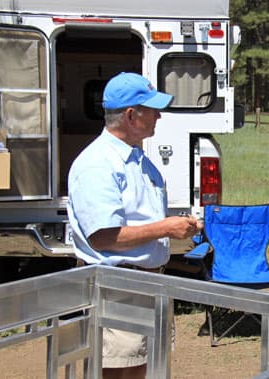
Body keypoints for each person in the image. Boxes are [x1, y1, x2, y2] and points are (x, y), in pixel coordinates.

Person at [67, 72, 203, 379]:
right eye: (152, 109)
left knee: (146, 369)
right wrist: (167, 228)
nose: (159, 115)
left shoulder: (139, 161)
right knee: (120, 371)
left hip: (145, 285)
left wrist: (172, 228)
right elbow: (103, 237)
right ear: (131, 115)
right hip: (118, 288)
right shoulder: (97, 165)